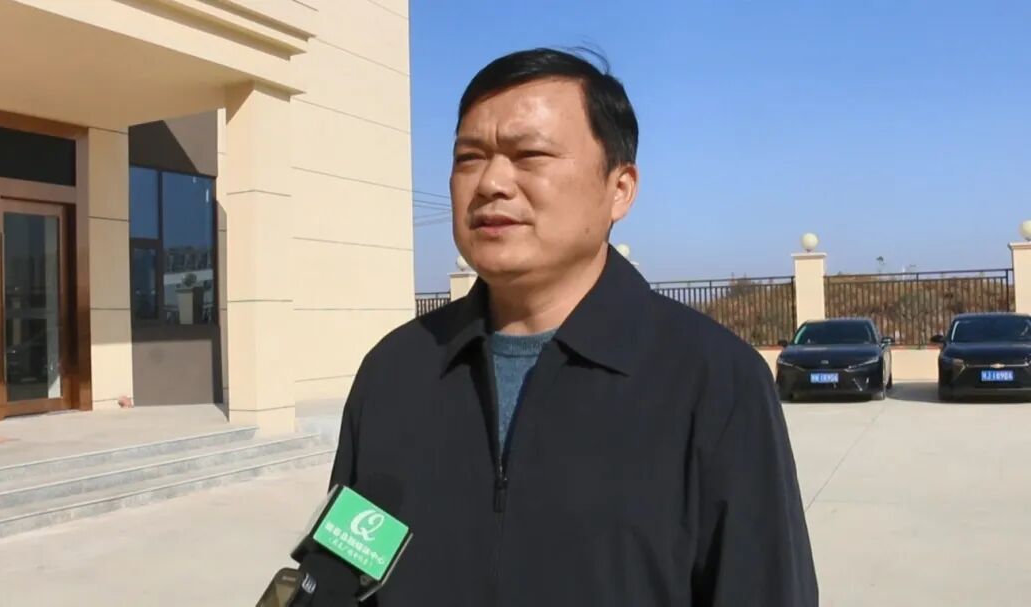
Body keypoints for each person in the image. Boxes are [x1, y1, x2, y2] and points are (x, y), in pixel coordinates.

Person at [330, 47, 818, 606]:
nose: (491, 182)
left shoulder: (713, 382)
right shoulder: (396, 371)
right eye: (469, 157)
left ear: (620, 188)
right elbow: (342, 572)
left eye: (530, 154)